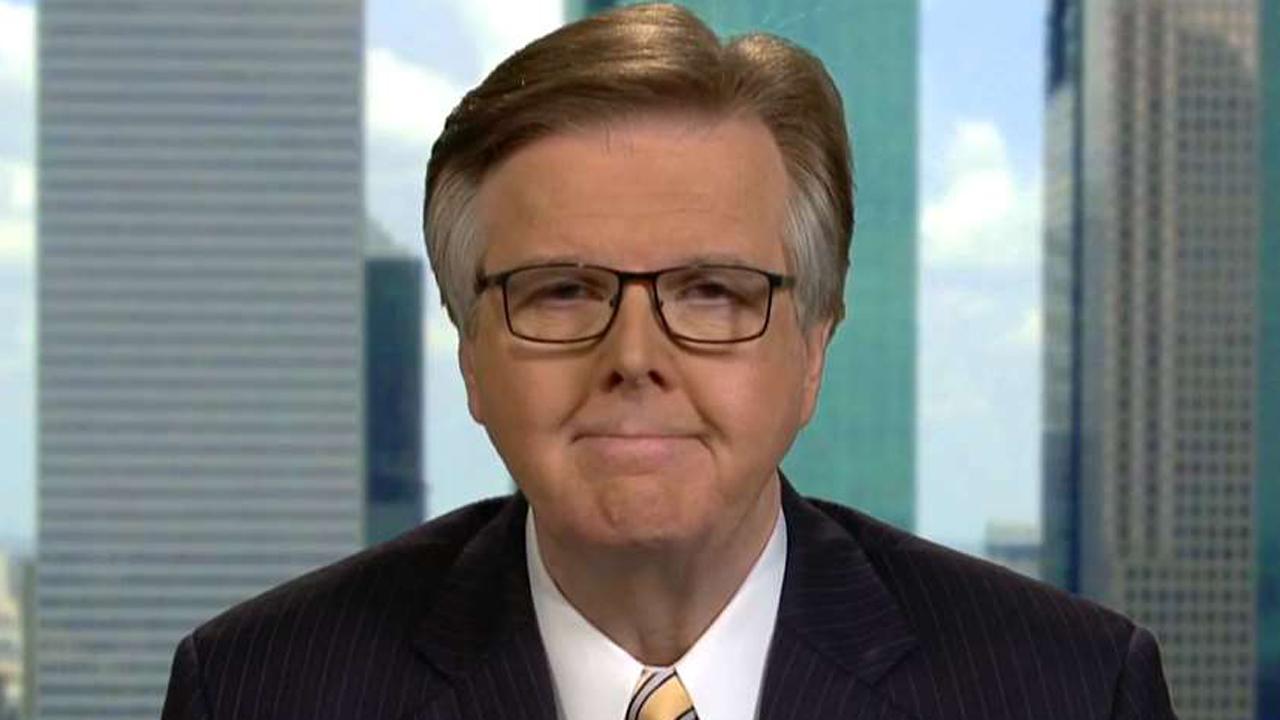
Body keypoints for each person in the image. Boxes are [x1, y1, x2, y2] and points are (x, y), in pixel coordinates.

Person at [162, 4, 1177, 719]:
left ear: (812, 347)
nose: (634, 357)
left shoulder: (1072, 689)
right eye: (562, 291)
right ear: (471, 353)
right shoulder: (256, 689)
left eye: (711, 291)